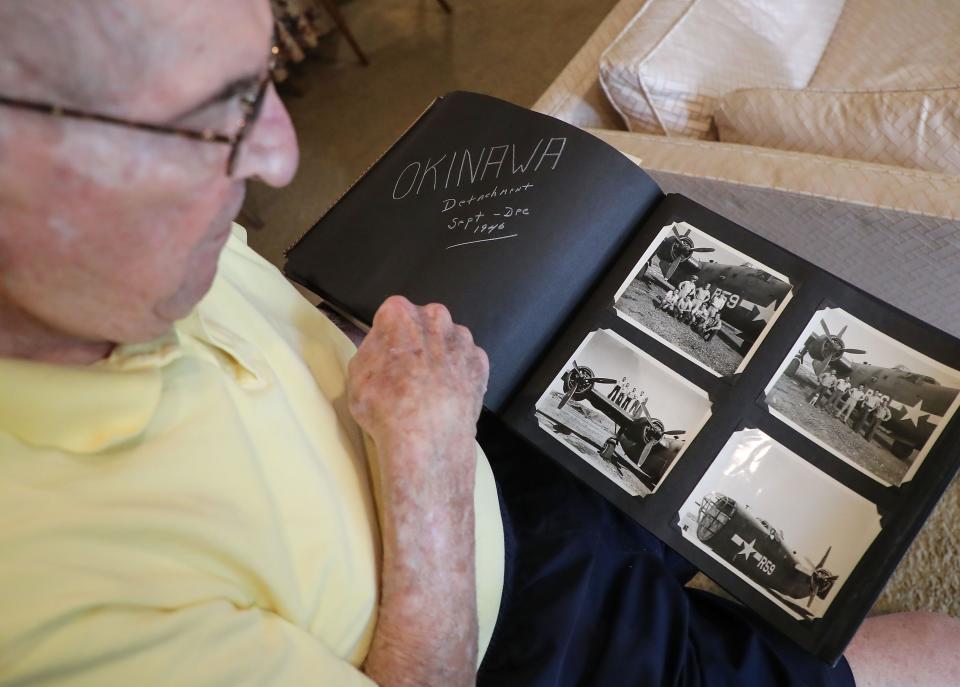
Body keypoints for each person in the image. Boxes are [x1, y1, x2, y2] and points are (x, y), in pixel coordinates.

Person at [1, 4, 957, 687]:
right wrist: (424, 462)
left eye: (258, 83)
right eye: (215, 115)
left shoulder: (125, 255)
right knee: (934, 646)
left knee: (770, 461)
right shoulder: (51, 612)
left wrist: (433, 414)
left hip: (481, 457)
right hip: (511, 639)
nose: (283, 159)